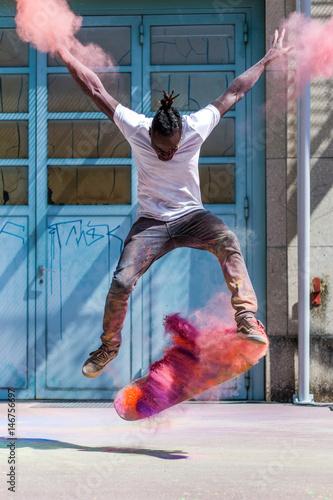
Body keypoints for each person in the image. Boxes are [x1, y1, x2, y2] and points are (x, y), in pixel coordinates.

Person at [56, 29, 291, 378]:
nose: (166, 154)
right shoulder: (135, 127)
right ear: (150, 133)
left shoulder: (195, 126)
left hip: (192, 217)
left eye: (172, 149)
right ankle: (108, 347)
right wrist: (63, 52)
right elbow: (94, 88)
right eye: (160, 149)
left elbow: (236, 91)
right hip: (151, 223)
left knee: (228, 241)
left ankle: (247, 320)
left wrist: (267, 59)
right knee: (121, 282)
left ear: (181, 134)